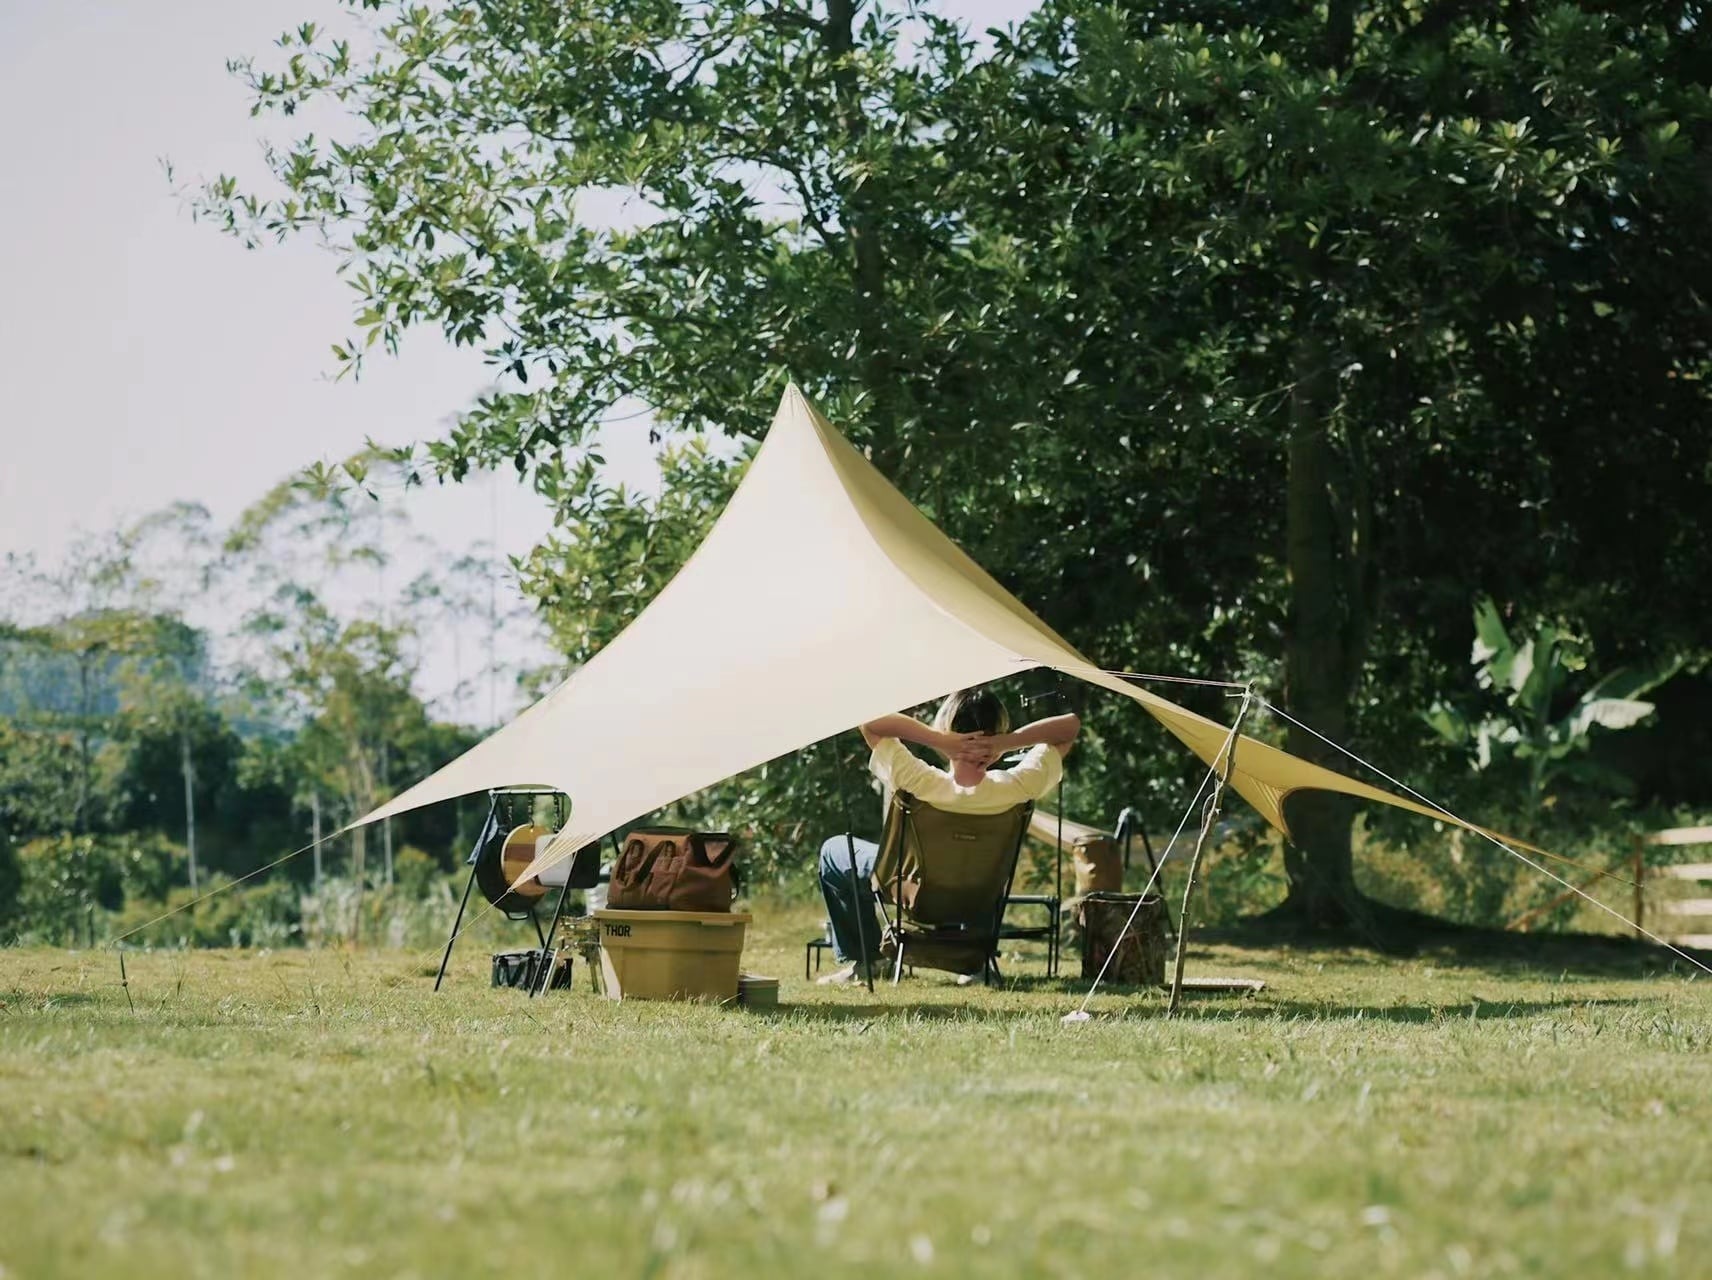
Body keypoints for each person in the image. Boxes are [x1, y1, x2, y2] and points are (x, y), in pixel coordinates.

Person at [816, 685, 1080, 985]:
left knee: (834, 849)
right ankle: (974, 962)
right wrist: (1005, 742)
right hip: (978, 896)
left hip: (914, 893)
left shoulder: (919, 780)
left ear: (946, 729)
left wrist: (939, 740)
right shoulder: (1018, 786)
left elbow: (870, 722)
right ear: (999, 733)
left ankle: (868, 962)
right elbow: (1069, 726)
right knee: (975, 864)